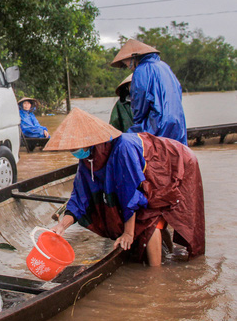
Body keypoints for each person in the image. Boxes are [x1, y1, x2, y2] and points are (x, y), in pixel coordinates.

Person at [45, 108, 205, 266]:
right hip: (149, 169)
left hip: (175, 162)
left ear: (88, 142)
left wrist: (128, 233)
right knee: (147, 214)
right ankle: (166, 252)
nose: (74, 152)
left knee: (149, 217)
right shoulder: (87, 160)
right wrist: (61, 226)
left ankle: (156, 277)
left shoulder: (122, 148)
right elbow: (79, 198)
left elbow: (130, 195)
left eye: (75, 148)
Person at [111, 38, 187, 145]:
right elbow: (177, 93)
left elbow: (140, 103)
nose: (128, 66)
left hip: (157, 124)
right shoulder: (164, 67)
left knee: (124, 143)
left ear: (134, 57)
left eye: (126, 62)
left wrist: (137, 125)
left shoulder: (141, 70)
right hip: (178, 123)